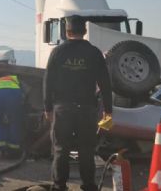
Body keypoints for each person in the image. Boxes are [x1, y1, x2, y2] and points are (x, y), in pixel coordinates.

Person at [43, 15, 113, 191]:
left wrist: (48, 108)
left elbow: (47, 81)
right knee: (87, 150)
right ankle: (89, 186)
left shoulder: (57, 52)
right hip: (87, 110)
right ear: (85, 31)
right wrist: (108, 111)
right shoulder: (94, 53)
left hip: (62, 110)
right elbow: (105, 83)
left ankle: (59, 186)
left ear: (67, 32)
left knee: (61, 149)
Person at [0, 49, 24, 159]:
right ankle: (13, 150)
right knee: (14, 122)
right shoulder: (14, 74)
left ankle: (0, 150)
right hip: (13, 94)